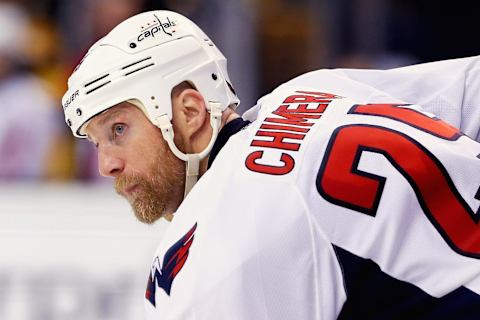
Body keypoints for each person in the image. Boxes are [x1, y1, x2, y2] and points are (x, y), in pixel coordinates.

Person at [62, 10, 480, 319]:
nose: (106, 165)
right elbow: (469, 91)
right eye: (96, 142)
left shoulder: (222, 243)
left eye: (118, 130)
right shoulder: (313, 89)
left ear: (188, 112)